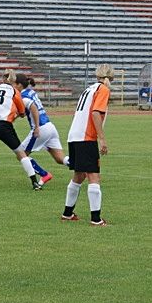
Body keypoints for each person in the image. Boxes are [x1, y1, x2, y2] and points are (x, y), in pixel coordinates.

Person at [62, 64, 114, 226]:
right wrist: (102, 138)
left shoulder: (89, 89)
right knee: (93, 176)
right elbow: (95, 113)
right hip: (86, 137)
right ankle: (96, 219)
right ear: (111, 77)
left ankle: (67, 214)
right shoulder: (103, 89)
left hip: (74, 135)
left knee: (79, 175)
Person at [14, 74, 69, 186]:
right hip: (50, 127)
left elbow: (33, 108)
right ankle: (84, 166)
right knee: (60, 159)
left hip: (41, 129)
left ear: (19, 85)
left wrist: (37, 127)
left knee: (21, 154)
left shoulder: (23, 96)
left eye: (14, 84)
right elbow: (24, 112)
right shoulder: (30, 92)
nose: (13, 86)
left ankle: (44, 175)